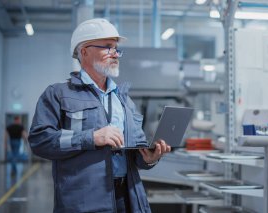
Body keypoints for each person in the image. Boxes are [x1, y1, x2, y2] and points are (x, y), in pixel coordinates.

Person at [28, 18, 171, 213]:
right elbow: (40, 140)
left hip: (128, 199)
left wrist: (150, 157)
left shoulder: (124, 101)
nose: (115, 54)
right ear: (84, 51)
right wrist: (91, 137)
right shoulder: (58, 94)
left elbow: (136, 156)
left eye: (116, 48)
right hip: (84, 202)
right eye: (108, 47)